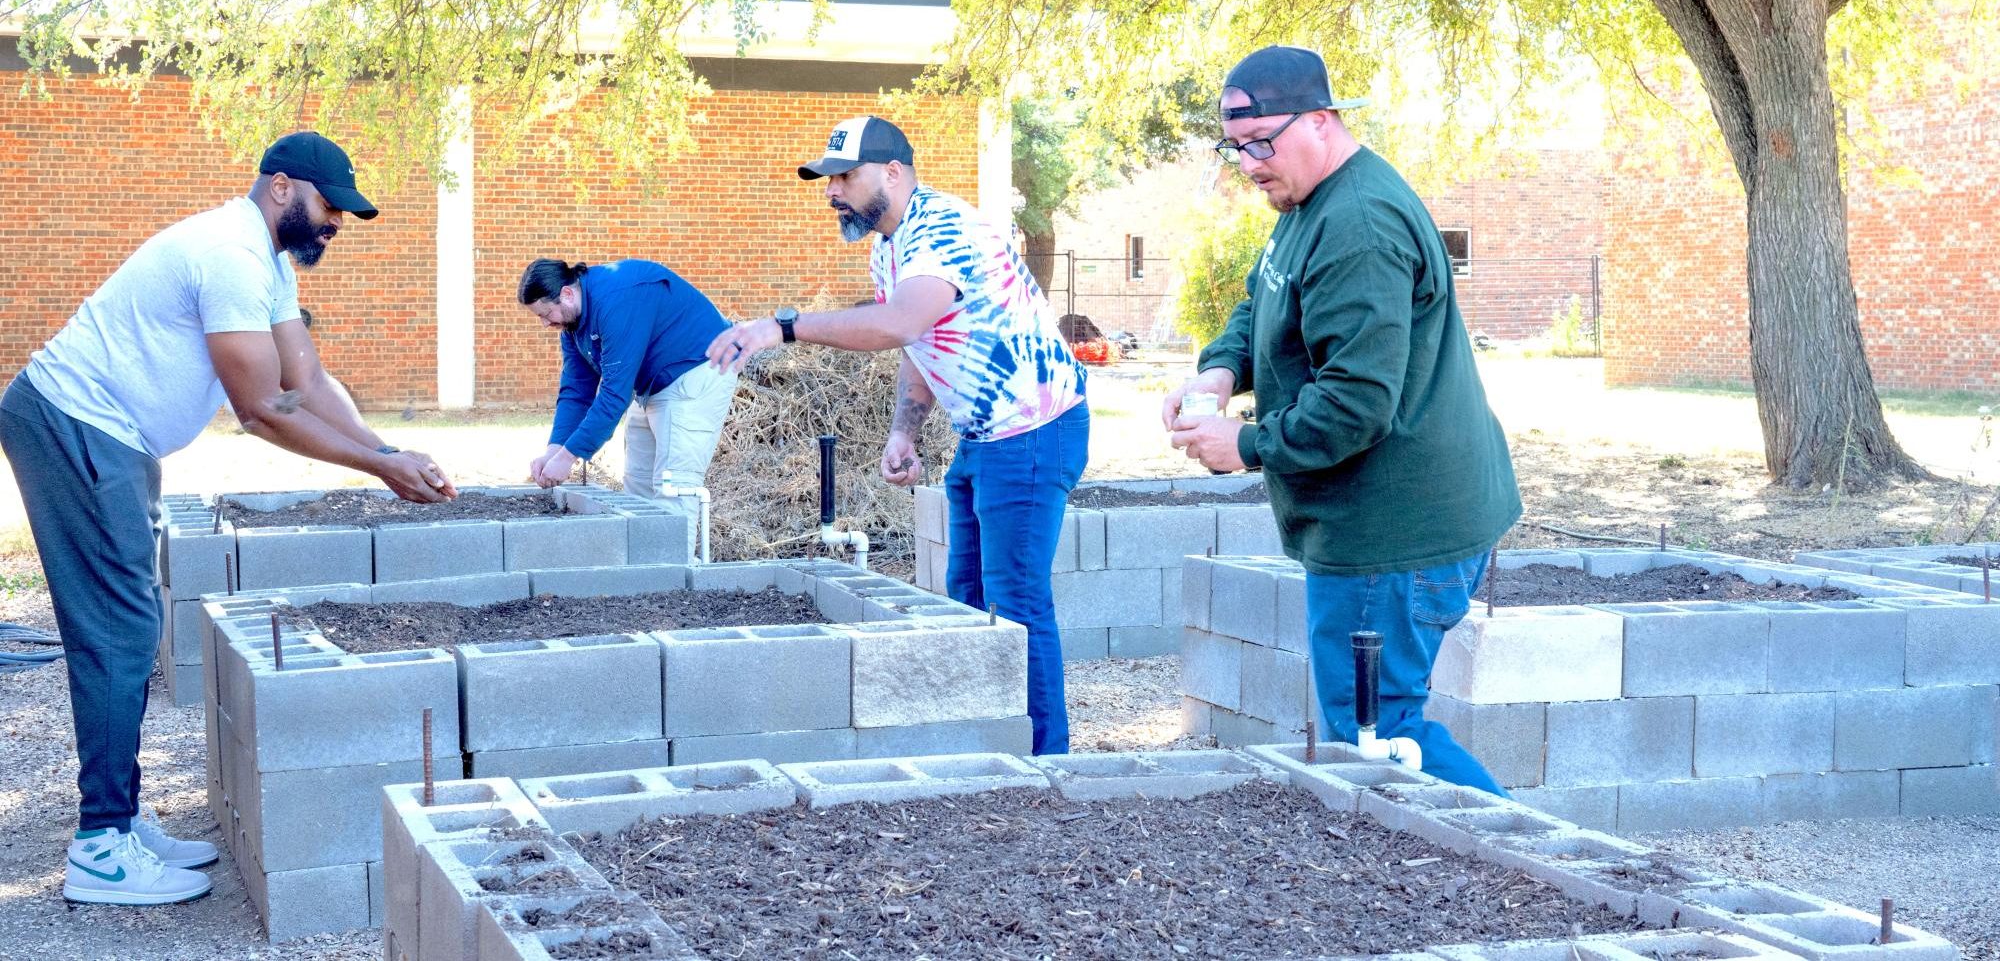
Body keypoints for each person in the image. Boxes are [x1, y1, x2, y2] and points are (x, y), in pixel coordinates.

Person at [0, 131, 457, 906]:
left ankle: (120, 819)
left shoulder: (266, 267)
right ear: (281, 187)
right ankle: (100, 846)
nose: (335, 224)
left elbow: (303, 380)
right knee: (120, 628)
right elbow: (259, 410)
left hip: (111, 435)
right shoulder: (228, 254)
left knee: (130, 625)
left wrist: (386, 449)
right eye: (328, 206)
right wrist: (379, 467)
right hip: (74, 423)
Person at [1162, 46, 1522, 794]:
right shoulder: (1308, 202)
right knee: (1374, 736)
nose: (1250, 163)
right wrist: (1222, 367)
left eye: (1262, 141)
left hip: (1394, 531)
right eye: (1236, 148)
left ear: (1322, 121)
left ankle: (1544, 858)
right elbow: (1264, 300)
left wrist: (1247, 443)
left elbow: (1357, 402)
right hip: (1373, 525)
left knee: (1381, 741)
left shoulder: (1356, 221)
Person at [706, 115, 1089, 755]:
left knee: (1017, 603)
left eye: (844, 177)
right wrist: (904, 430)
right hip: (984, 436)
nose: (832, 192)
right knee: (968, 599)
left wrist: (784, 326)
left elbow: (898, 323)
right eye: (827, 181)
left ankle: (1046, 762)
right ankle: (991, 739)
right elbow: (921, 338)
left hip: (1032, 430)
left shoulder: (942, 228)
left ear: (892, 172)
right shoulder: (892, 242)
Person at [518, 258, 736, 554]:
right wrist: (554, 449)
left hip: (696, 369)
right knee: (638, 485)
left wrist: (569, 457)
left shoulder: (614, 300)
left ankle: (675, 578)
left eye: (546, 313)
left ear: (567, 294)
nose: (545, 323)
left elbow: (613, 395)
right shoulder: (572, 324)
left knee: (673, 486)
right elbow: (576, 391)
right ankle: (645, 572)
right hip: (651, 384)